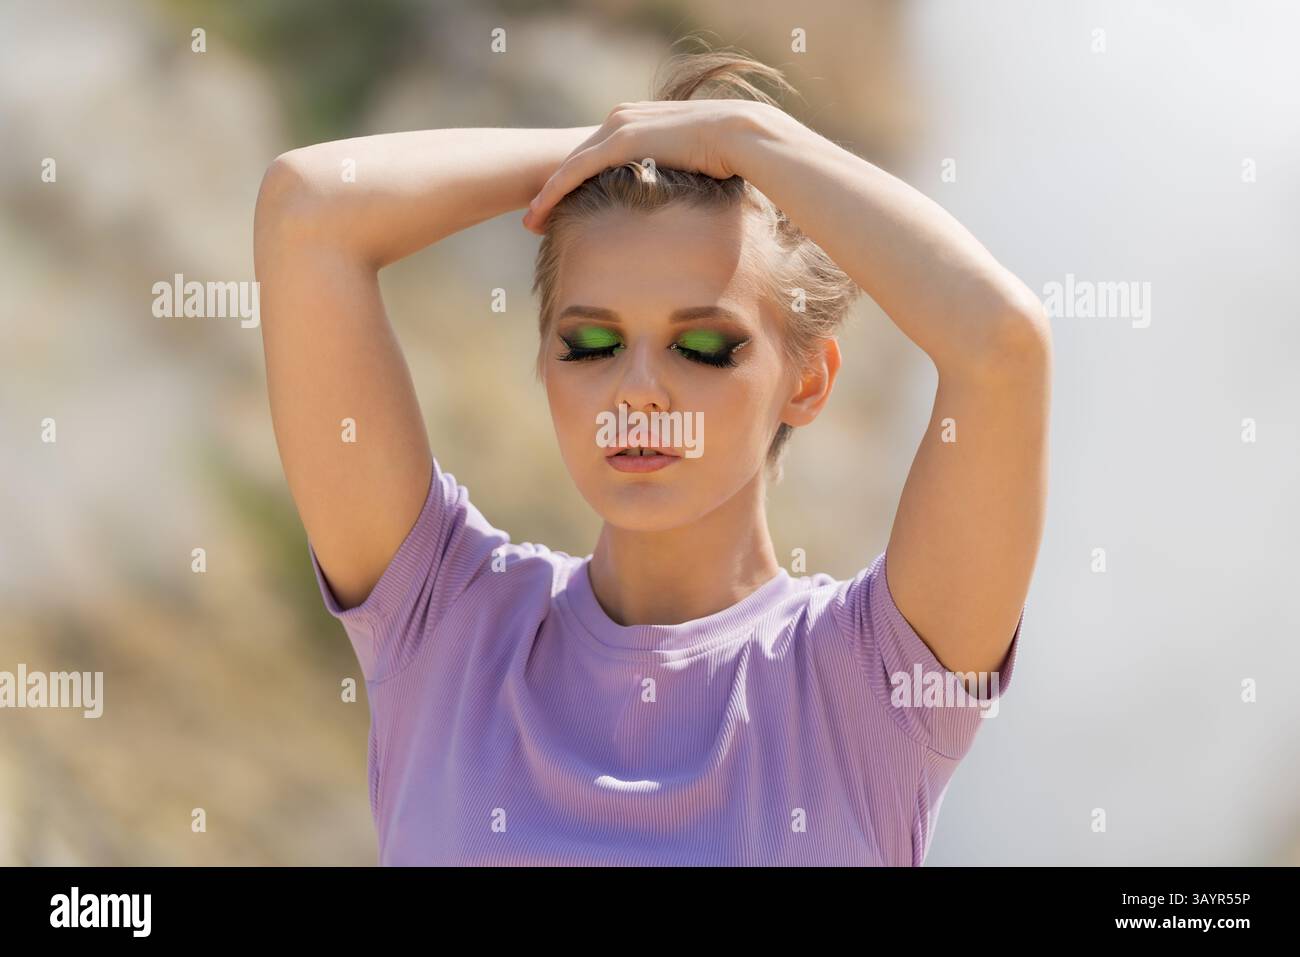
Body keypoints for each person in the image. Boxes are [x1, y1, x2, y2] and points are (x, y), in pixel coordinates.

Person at [252, 46, 1051, 865]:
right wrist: (616, 143)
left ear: (808, 381)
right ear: (543, 361)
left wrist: (744, 137)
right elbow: (306, 209)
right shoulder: (446, 627)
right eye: (592, 343)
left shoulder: (868, 690)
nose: (637, 393)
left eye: (703, 346)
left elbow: (1002, 344)